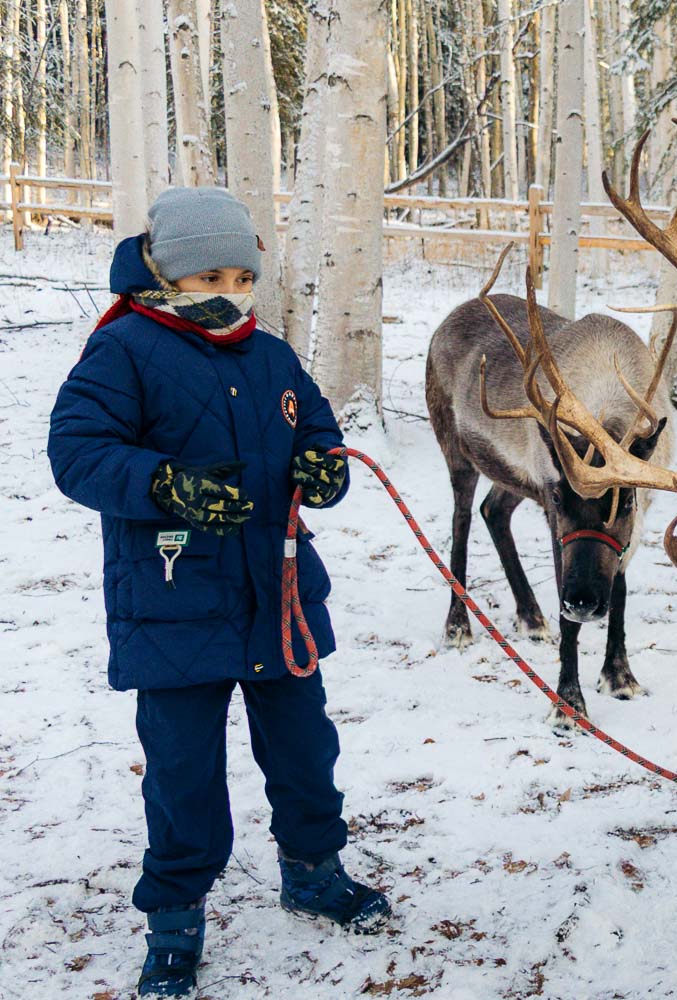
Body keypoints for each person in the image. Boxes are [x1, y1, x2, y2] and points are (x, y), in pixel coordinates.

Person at [48, 187, 391, 998]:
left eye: (242, 275)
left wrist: (323, 466)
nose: (228, 292)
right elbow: (77, 452)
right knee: (182, 771)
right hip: (173, 606)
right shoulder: (124, 349)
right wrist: (166, 483)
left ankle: (312, 869)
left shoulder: (269, 354)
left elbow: (315, 429)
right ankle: (175, 917)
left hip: (278, 599)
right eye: (209, 275)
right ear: (165, 271)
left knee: (307, 750)